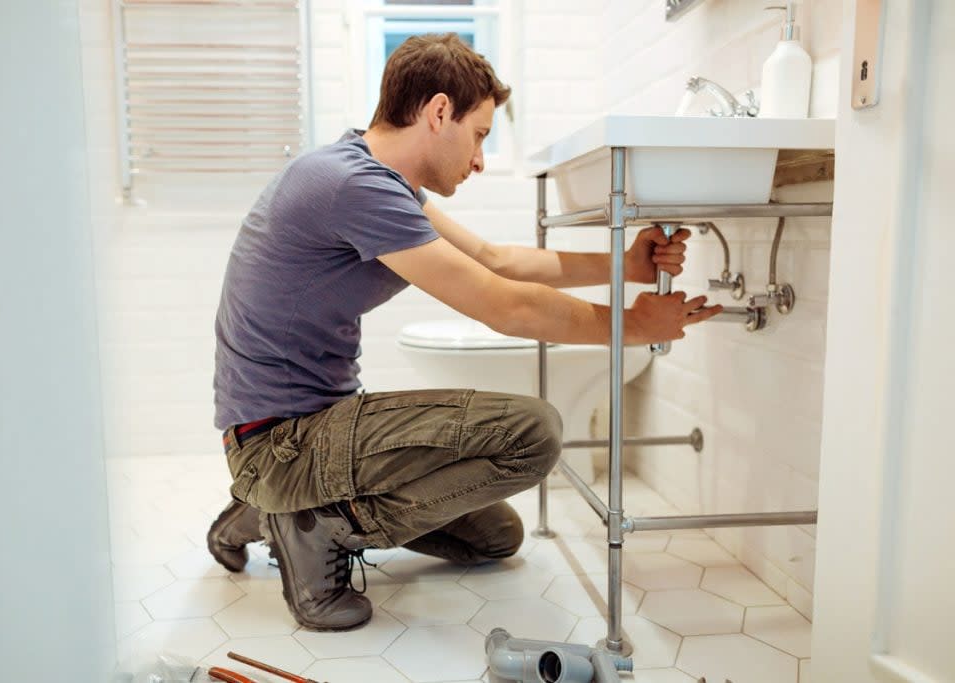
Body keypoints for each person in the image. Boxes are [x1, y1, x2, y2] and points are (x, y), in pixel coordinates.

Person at [206, 33, 722, 632]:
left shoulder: (378, 180)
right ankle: (313, 523)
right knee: (533, 432)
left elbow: (497, 261)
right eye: (479, 135)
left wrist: (624, 268)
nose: (479, 159)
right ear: (439, 111)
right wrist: (631, 325)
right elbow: (503, 305)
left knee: (496, 537)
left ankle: (270, 509)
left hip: (300, 432)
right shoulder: (353, 186)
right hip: (280, 441)